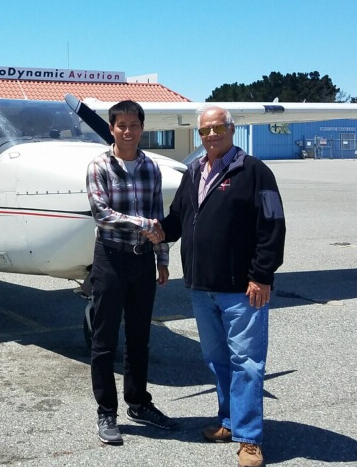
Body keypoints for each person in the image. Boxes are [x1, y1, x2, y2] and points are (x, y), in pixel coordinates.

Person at [157, 105, 285, 467]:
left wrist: (262, 275)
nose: (211, 135)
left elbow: (272, 225)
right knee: (217, 361)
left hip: (241, 289)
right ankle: (229, 422)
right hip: (201, 288)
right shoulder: (194, 171)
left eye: (217, 128)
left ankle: (249, 439)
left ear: (231, 129)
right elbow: (179, 219)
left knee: (247, 363)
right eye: (204, 131)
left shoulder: (255, 171)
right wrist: (158, 231)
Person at [85, 99, 177, 445]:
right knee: (104, 339)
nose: (128, 131)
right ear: (111, 128)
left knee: (140, 337)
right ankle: (106, 411)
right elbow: (102, 214)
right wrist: (145, 226)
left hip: (142, 262)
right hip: (110, 258)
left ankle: (138, 403)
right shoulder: (99, 166)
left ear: (142, 128)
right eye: (121, 125)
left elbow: (158, 215)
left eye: (134, 125)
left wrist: (163, 258)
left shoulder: (151, 168)